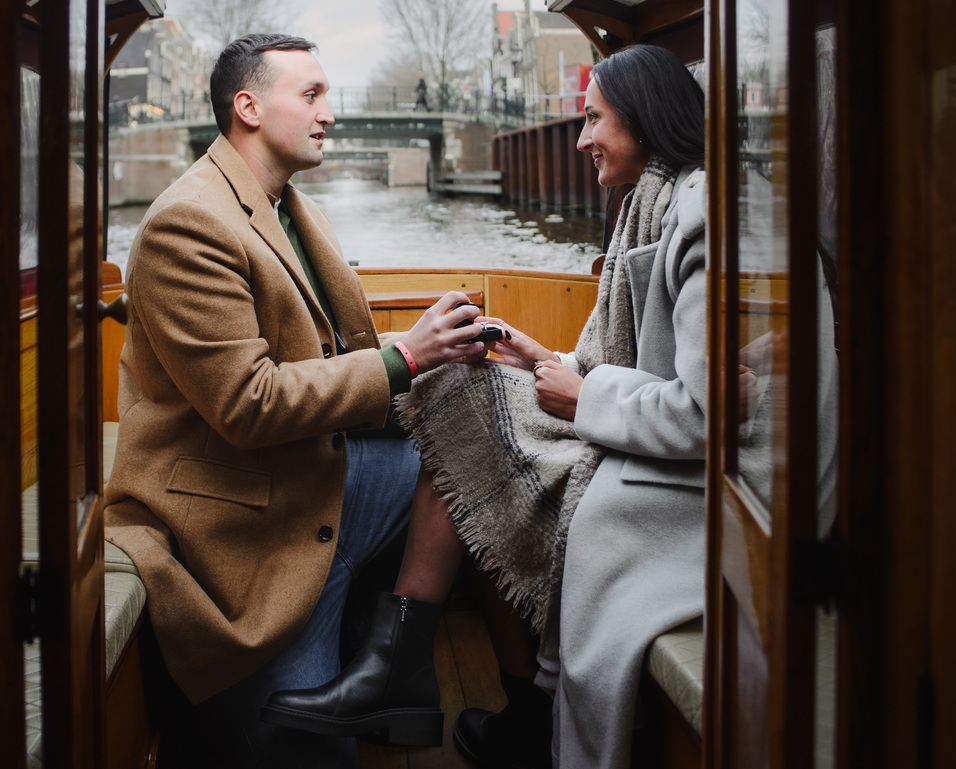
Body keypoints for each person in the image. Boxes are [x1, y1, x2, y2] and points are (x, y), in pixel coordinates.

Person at [261, 44, 712, 769]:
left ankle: (432, 678)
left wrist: (582, 388)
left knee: (463, 433)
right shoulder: (648, 209)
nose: (582, 138)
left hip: (681, 486)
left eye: (593, 119)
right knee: (457, 387)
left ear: (645, 117)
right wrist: (539, 360)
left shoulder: (698, 222)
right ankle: (438, 679)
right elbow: (627, 368)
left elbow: (697, 409)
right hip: (641, 440)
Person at [102, 33, 492, 769]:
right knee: (311, 749)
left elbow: (331, 360)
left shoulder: (284, 204)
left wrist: (438, 369)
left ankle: (395, 664)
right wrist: (406, 356)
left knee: (472, 434)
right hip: (240, 524)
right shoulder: (188, 225)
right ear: (248, 107)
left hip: (312, 479)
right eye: (311, 94)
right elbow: (248, 403)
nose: (330, 113)